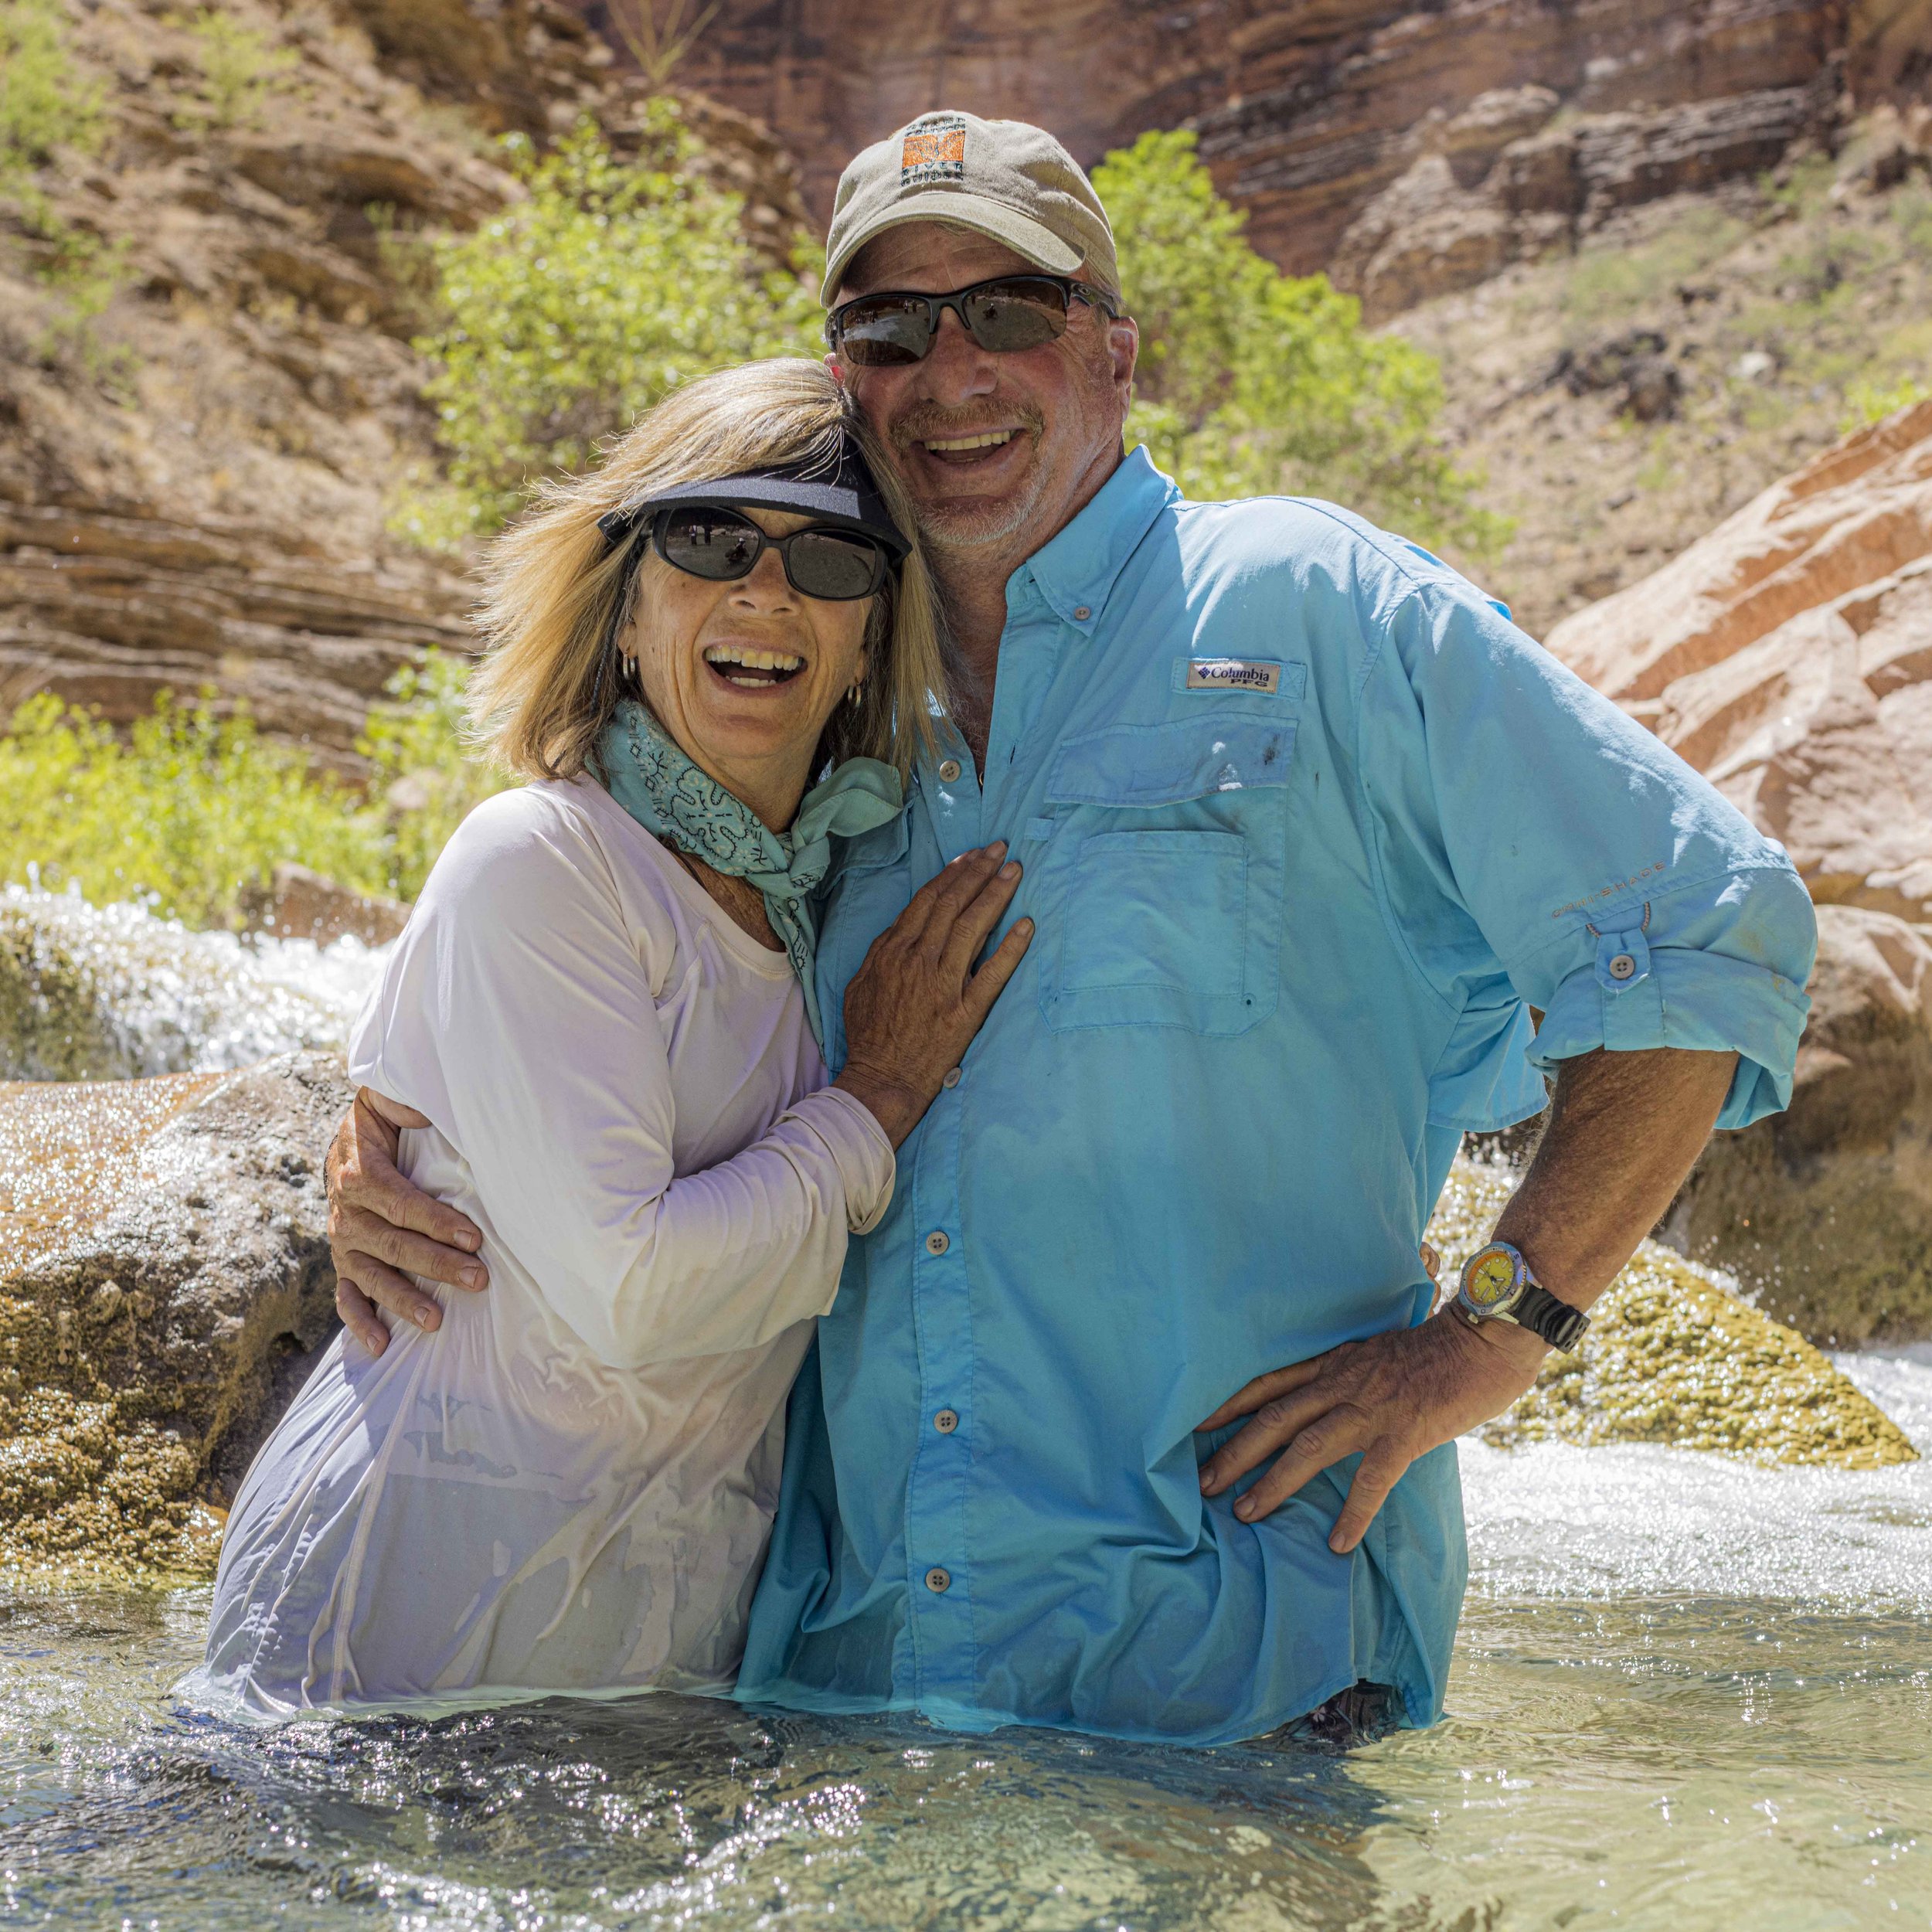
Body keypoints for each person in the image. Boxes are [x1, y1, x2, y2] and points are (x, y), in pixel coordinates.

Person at [328, 114, 1817, 1746]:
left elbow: (1700, 928)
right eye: (889, 329)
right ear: (847, 383)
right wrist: (392, 1143)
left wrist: (1491, 1333)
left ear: (1115, 347)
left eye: (1008, 311)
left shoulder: (1314, 605)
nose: (949, 368)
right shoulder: (828, 728)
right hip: (851, 1682)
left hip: (1237, 1667)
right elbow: (625, 976)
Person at [184, 360, 1032, 1716]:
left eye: (829, 558)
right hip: (387, 1655)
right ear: (627, 608)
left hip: (647, 1676)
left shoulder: (844, 897)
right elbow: (634, 1291)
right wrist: (875, 1096)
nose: (765, 591)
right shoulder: (543, 860)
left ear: (874, 630)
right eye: (708, 540)